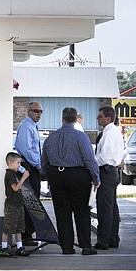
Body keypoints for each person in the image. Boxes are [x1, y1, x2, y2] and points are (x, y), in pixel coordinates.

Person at [41, 107, 100, 256]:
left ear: (62, 118)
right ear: (75, 119)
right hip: (77, 175)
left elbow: (44, 162)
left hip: (56, 175)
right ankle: (86, 246)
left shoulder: (51, 138)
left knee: (62, 213)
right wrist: (95, 177)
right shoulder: (81, 137)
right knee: (81, 211)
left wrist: (49, 177)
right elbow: (89, 159)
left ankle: (67, 247)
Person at [94, 106, 124, 250]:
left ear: (108, 118)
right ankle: (112, 238)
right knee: (111, 207)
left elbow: (104, 157)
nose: (97, 118)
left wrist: (92, 163)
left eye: (100, 116)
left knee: (105, 208)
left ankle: (104, 241)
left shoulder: (110, 133)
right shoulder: (113, 131)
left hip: (106, 171)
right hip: (112, 171)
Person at [14, 102, 43, 244]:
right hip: (29, 167)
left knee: (33, 200)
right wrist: (38, 165)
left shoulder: (32, 126)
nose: (39, 114)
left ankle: (29, 233)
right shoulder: (26, 126)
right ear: (28, 111)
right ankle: (26, 235)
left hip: (32, 167)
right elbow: (26, 150)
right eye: (36, 111)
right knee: (29, 201)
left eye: (41, 111)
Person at [0, 152, 31, 257]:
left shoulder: (15, 173)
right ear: (10, 163)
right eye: (17, 163)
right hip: (11, 204)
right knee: (8, 227)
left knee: (19, 227)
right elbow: (15, 188)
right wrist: (23, 178)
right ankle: (4, 247)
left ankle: (19, 247)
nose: (19, 165)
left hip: (19, 204)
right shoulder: (9, 174)